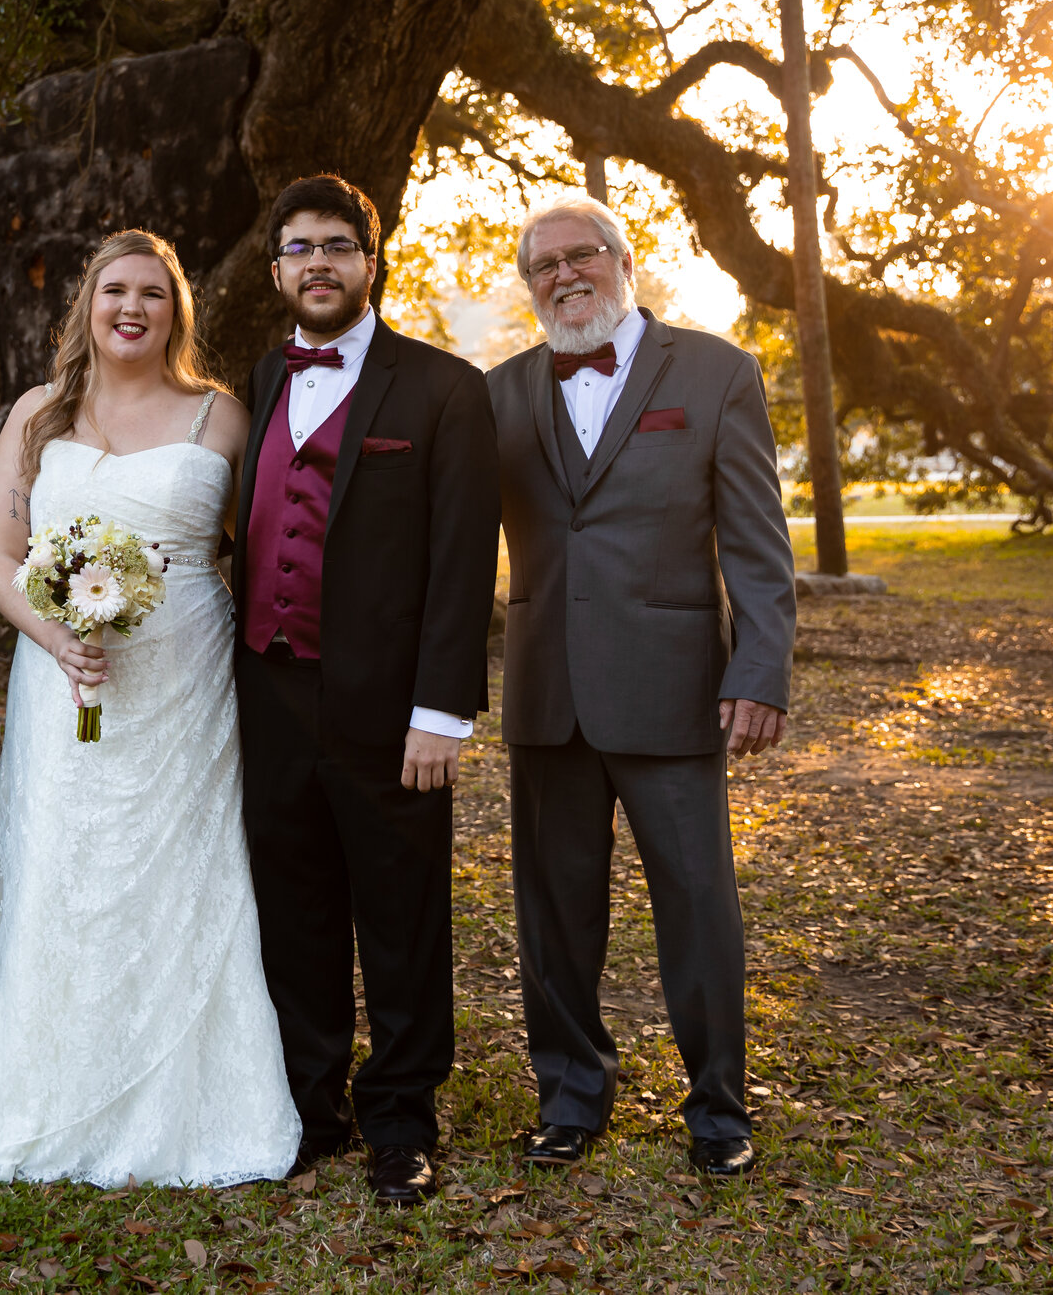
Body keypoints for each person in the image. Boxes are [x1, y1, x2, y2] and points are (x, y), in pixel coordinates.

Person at [0, 229, 301, 1188]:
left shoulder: (222, 417)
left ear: (177, 310)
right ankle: (54, 1094)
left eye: (153, 291)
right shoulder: (34, 413)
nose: (132, 307)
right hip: (63, 675)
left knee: (186, 865)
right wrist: (54, 633)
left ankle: (191, 1099)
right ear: (88, 304)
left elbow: (249, 545)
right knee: (67, 861)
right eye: (115, 290)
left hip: (186, 674)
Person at [485, 197, 795, 1180]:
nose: (565, 275)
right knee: (553, 913)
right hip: (545, 692)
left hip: (673, 690)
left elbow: (757, 544)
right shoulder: (494, 394)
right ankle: (571, 1097)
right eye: (544, 265)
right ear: (529, 283)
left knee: (697, 904)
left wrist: (759, 667)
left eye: (583, 256)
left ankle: (718, 1109)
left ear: (625, 260)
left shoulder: (713, 373)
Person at [231, 175, 501, 1208]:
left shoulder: (441, 388)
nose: (317, 263)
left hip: (392, 711)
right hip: (270, 692)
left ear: (372, 258)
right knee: (293, 911)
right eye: (297, 246)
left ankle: (401, 1117)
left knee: (401, 914)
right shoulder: (259, 378)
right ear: (276, 269)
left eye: (336, 244)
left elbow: (461, 560)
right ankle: (313, 1106)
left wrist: (442, 710)